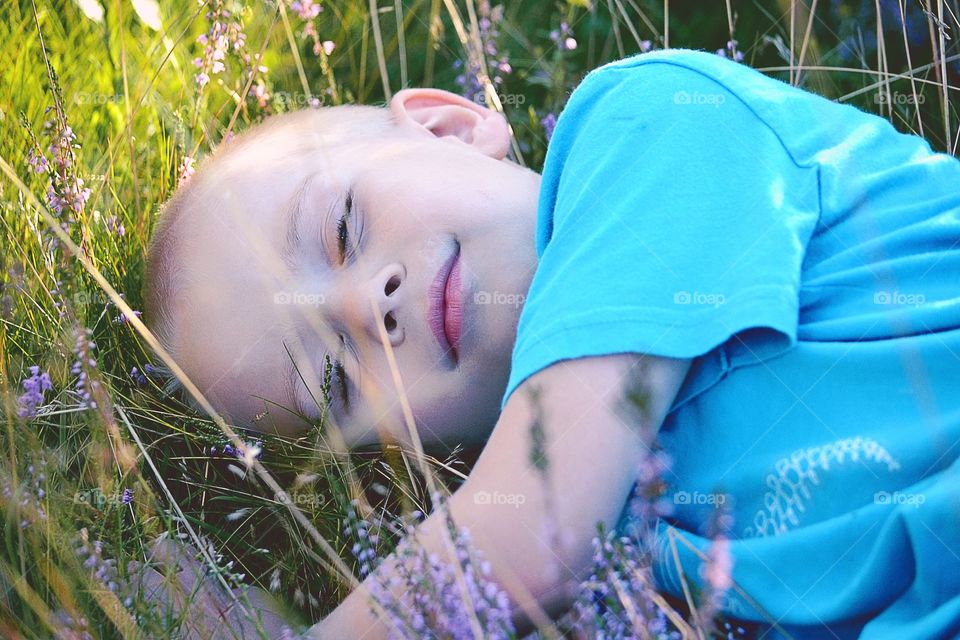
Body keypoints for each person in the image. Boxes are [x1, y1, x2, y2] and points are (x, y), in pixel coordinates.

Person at [144, 48, 960, 638]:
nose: (367, 306)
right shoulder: (625, 554)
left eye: (342, 229)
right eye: (337, 382)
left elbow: (540, 532)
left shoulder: (652, 124)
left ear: (449, 126)